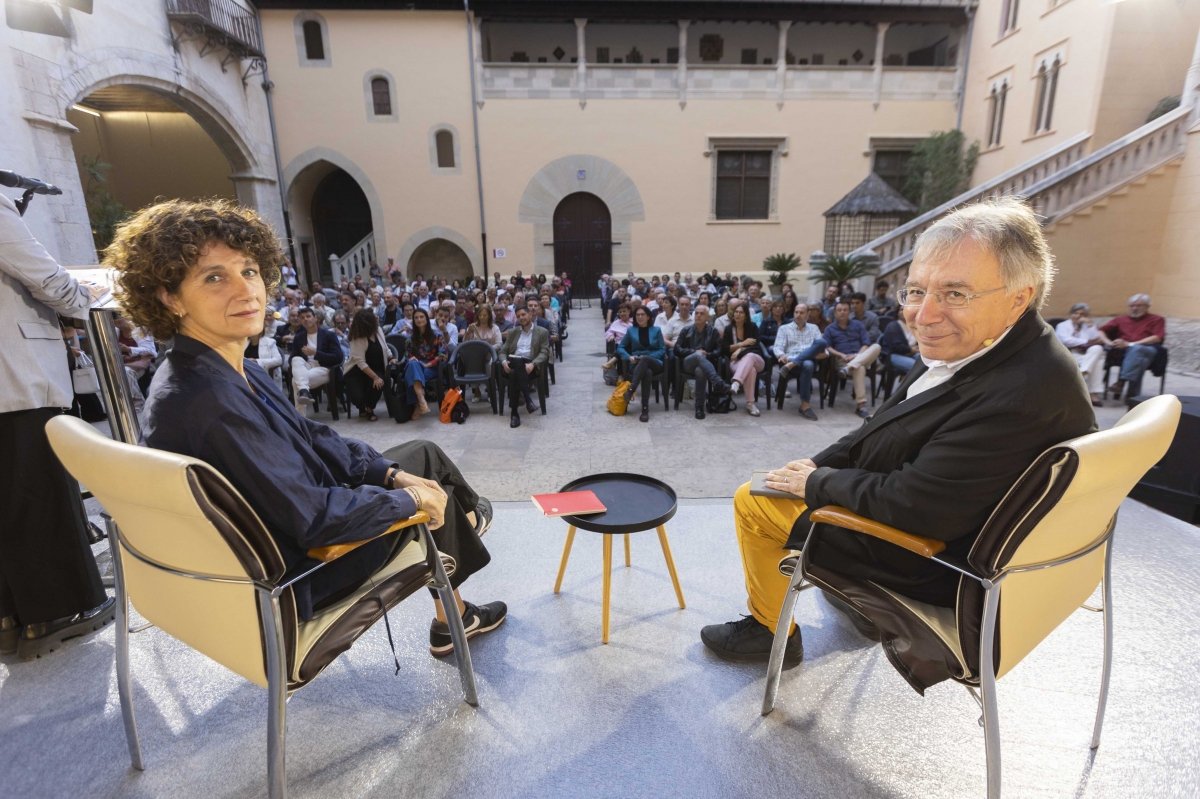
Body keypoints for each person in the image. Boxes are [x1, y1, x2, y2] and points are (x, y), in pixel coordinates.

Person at [700, 197, 1095, 672]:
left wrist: (815, 484)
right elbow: (878, 428)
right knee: (781, 482)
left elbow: (916, 507)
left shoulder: (1020, 393)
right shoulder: (987, 348)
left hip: (935, 564)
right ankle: (857, 605)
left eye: (955, 294)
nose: (922, 315)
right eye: (916, 291)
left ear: (1019, 297)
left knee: (751, 499)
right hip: (948, 525)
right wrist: (814, 468)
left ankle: (772, 633)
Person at [111, 200, 503, 655]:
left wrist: (391, 476)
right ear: (169, 296)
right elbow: (316, 520)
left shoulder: (225, 367)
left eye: (251, 271)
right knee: (440, 498)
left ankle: (461, 537)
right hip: (303, 574)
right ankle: (462, 535)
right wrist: (411, 498)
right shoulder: (207, 403)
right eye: (214, 277)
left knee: (422, 457)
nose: (247, 291)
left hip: (293, 531)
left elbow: (314, 435)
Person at [0, 187, 112, 659]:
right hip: (18, 375)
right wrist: (86, 296)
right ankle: (59, 611)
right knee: (40, 495)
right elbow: (44, 276)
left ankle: (13, 616)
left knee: (7, 504)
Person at [1100, 293, 1166, 399]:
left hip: (1149, 350)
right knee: (1140, 361)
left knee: (1137, 350)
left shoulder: (1157, 319)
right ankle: (1132, 395)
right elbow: (1101, 330)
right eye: (1132, 306)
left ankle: (1121, 382)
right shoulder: (1120, 319)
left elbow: (1157, 337)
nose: (1134, 308)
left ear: (1147, 306)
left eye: (1139, 306)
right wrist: (1109, 343)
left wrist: (1130, 344)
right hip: (1124, 353)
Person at [823, 299, 881, 419]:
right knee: (859, 368)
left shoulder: (858, 325)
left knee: (876, 346)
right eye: (839, 310)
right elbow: (828, 347)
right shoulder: (830, 329)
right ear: (835, 313)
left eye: (845, 310)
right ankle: (861, 406)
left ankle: (849, 367)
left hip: (860, 356)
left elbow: (866, 343)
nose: (842, 312)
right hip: (842, 360)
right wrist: (842, 355)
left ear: (850, 312)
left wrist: (856, 356)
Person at [772, 303, 826, 421]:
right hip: (791, 360)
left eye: (801, 313)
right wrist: (781, 354)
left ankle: (793, 364)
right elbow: (777, 347)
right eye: (796, 312)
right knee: (807, 364)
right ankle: (805, 406)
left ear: (808, 314)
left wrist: (825, 353)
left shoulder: (814, 328)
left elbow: (821, 346)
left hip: (796, 363)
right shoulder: (784, 328)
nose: (798, 315)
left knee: (822, 343)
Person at [498, 305, 550, 428]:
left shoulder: (541, 332)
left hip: (529, 366)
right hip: (512, 362)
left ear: (530, 315)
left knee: (514, 373)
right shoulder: (513, 332)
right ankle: (528, 400)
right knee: (516, 363)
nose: (521, 318)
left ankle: (514, 413)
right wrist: (504, 362)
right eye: (518, 316)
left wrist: (533, 364)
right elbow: (503, 352)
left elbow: (544, 352)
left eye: (523, 315)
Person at [675, 305, 729, 419]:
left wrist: (707, 354)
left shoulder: (713, 331)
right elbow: (677, 348)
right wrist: (694, 352)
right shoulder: (686, 330)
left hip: (705, 365)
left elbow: (719, 350)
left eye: (701, 313)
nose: (698, 315)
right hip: (688, 363)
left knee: (701, 370)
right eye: (696, 313)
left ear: (708, 317)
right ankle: (717, 381)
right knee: (698, 355)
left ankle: (699, 407)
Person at [617, 306, 666, 423]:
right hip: (636, 364)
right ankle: (645, 409)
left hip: (655, 362)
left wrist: (648, 358)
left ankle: (631, 389)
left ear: (648, 317)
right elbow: (620, 347)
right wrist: (629, 357)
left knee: (645, 360)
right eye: (637, 315)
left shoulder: (656, 330)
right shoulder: (631, 330)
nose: (639, 317)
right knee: (647, 373)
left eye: (642, 314)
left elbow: (662, 349)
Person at [289, 307, 343, 414]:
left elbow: (338, 357)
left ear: (315, 318)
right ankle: (304, 391)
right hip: (305, 368)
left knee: (296, 382)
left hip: (324, 368)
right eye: (302, 317)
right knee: (296, 359)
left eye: (308, 316)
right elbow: (292, 358)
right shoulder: (299, 337)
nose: (306, 319)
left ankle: (300, 418)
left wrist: (315, 353)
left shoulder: (328, 335)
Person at [344, 309, 395, 421]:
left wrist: (391, 358)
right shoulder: (357, 338)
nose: (377, 319)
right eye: (374, 318)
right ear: (366, 322)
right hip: (356, 371)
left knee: (379, 383)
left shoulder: (378, 330)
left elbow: (385, 347)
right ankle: (361, 406)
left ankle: (370, 408)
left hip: (376, 367)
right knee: (358, 397)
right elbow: (360, 363)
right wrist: (374, 377)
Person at [1055, 303, 1109, 406]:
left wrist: (1089, 324)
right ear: (1071, 314)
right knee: (1098, 362)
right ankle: (1094, 395)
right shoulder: (1062, 325)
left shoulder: (1087, 325)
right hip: (1070, 353)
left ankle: (1081, 374)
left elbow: (1095, 338)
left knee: (1097, 348)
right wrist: (1087, 341)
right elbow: (1066, 341)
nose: (1079, 316)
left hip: (1086, 354)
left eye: (1083, 314)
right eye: (1076, 313)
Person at [721, 303, 765, 416]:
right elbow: (725, 349)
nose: (737, 314)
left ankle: (737, 382)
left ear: (746, 315)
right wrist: (743, 344)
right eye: (736, 312)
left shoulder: (753, 327)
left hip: (757, 360)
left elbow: (756, 346)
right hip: (737, 363)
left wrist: (740, 350)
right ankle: (750, 403)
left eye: (741, 312)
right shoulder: (729, 329)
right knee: (751, 370)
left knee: (750, 356)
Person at [404, 308, 444, 420]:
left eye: (421, 317)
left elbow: (443, 356)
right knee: (413, 365)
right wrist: (412, 360)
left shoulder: (437, 335)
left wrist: (427, 365)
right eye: (416, 317)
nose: (419, 319)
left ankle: (417, 405)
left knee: (411, 372)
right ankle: (421, 398)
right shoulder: (409, 339)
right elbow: (407, 357)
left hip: (431, 367)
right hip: (415, 365)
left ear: (427, 318)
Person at [245, 314, 284, 390]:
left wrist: (256, 361)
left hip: (262, 375)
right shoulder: (243, 343)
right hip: (245, 374)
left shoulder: (270, 342)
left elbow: (278, 360)